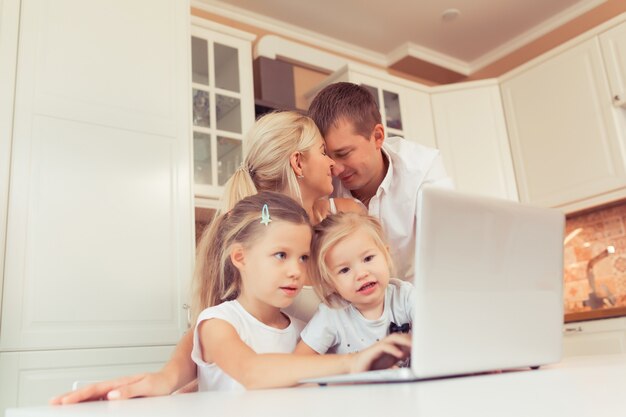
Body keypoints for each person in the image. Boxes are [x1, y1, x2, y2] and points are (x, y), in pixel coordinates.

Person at [50, 111, 365, 403]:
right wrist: (171, 378)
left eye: (304, 258)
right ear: (298, 162)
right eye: (323, 152)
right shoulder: (242, 231)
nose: (333, 165)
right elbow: (215, 323)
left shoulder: (346, 220)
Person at [191, 191, 410, 390]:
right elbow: (251, 373)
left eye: (303, 258)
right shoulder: (217, 323)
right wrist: (353, 361)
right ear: (240, 257)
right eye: (281, 255)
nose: (296, 271)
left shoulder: (302, 332)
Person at [308, 82, 454, 281]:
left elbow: (447, 249)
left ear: (377, 137)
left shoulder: (423, 168)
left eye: (344, 153)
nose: (337, 169)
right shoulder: (323, 182)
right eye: (329, 157)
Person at [295, 212, 413, 357]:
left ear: (386, 256)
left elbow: (439, 325)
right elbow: (299, 360)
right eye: (345, 270)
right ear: (330, 283)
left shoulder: (404, 295)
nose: (361, 274)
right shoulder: (332, 314)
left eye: (368, 258)